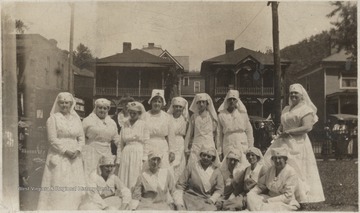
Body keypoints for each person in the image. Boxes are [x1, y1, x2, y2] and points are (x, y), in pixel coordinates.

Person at [263, 83, 325, 203]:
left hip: (298, 142)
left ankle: (298, 195)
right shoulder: (286, 108)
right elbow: (283, 123)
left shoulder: (305, 109)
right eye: (291, 93)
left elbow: (307, 127)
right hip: (283, 140)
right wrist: (280, 130)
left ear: (302, 95)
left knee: (295, 166)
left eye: (295, 93)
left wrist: (290, 132)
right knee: (271, 161)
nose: (293, 95)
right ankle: (277, 189)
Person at [37, 92, 86, 210]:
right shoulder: (53, 119)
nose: (64, 105)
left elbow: (81, 137)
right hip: (59, 154)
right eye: (62, 103)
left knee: (74, 182)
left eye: (67, 103)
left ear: (71, 104)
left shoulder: (76, 118)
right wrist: (65, 151)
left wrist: (78, 150)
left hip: (75, 156)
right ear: (58, 104)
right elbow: (52, 139)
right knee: (59, 182)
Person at [247, 147, 300, 211]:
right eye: (275, 158)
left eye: (280, 158)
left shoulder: (291, 173)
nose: (277, 161)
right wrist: (252, 193)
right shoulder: (271, 169)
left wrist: (270, 200)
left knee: (266, 208)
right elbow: (260, 185)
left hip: (284, 202)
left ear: (285, 159)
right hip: (269, 197)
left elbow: (287, 197)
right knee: (250, 196)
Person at [175, 144, 224, 211]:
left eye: (209, 156)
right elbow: (180, 184)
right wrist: (179, 203)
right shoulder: (192, 166)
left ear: (213, 158)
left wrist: (212, 199)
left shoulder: (216, 171)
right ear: (200, 155)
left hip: (206, 199)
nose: (205, 158)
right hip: (189, 197)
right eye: (204, 155)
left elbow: (220, 189)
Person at [82, 98, 120, 178]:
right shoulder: (87, 120)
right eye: (100, 108)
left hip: (106, 152)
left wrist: (123, 146)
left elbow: (116, 138)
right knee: (91, 174)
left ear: (108, 110)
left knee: (106, 174)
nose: (102, 110)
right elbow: (81, 136)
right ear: (96, 108)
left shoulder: (112, 123)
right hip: (92, 151)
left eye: (105, 108)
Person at [116, 101, 149, 190]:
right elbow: (121, 143)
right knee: (125, 175)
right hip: (126, 153)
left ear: (139, 113)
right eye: (131, 112)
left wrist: (145, 157)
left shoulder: (143, 124)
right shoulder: (125, 124)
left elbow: (146, 142)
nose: (132, 114)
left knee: (136, 174)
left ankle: (135, 193)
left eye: (135, 113)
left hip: (138, 152)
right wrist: (119, 159)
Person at [218, 90, 254, 163]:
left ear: (237, 101)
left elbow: (249, 131)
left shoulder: (243, 114)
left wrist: (250, 147)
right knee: (229, 164)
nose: (231, 101)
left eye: (234, 99)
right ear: (226, 101)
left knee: (242, 164)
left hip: (241, 143)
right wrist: (219, 150)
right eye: (229, 99)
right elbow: (219, 134)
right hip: (228, 142)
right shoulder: (221, 115)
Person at [143, 89, 175, 169]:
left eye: (159, 101)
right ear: (151, 102)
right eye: (155, 101)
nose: (157, 104)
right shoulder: (145, 116)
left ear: (162, 104)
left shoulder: (167, 117)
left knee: (162, 169)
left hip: (162, 146)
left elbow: (171, 136)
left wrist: (172, 151)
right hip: (148, 145)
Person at [184, 93, 219, 165]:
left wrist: (219, 148)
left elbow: (216, 134)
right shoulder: (194, 117)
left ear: (207, 103)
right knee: (195, 167)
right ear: (196, 104)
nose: (201, 104)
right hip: (197, 145)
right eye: (199, 102)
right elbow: (189, 133)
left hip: (209, 144)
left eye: (203, 102)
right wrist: (186, 147)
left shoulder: (212, 117)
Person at [167, 96, 189, 182]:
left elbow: (187, 133)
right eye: (176, 106)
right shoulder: (168, 118)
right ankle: (170, 183)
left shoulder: (185, 119)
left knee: (180, 163)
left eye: (180, 107)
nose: (178, 108)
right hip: (170, 141)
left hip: (180, 142)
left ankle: (178, 183)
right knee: (171, 163)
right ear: (173, 107)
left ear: (183, 108)